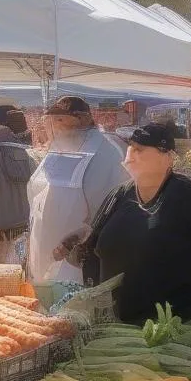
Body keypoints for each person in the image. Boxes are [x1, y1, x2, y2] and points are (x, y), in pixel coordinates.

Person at [73, 122, 191, 324]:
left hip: (177, 323)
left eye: (140, 149)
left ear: (166, 156)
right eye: (130, 147)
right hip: (120, 323)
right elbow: (93, 241)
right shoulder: (119, 195)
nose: (131, 154)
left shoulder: (187, 194)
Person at [27, 96, 128, 283]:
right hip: (44, 251)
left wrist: (80, 238)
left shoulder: (106, 153)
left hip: (77, 258)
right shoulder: (59, 149)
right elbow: (37, 189)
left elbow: (110, 208)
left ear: (83, 119)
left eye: (61, 120)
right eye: (53, 121)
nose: (56, 126)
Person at [0, 115, 36, 264]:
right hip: (21, 210)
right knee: (20, 247)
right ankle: (20, 270)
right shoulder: (23, 152)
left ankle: (2, 275)